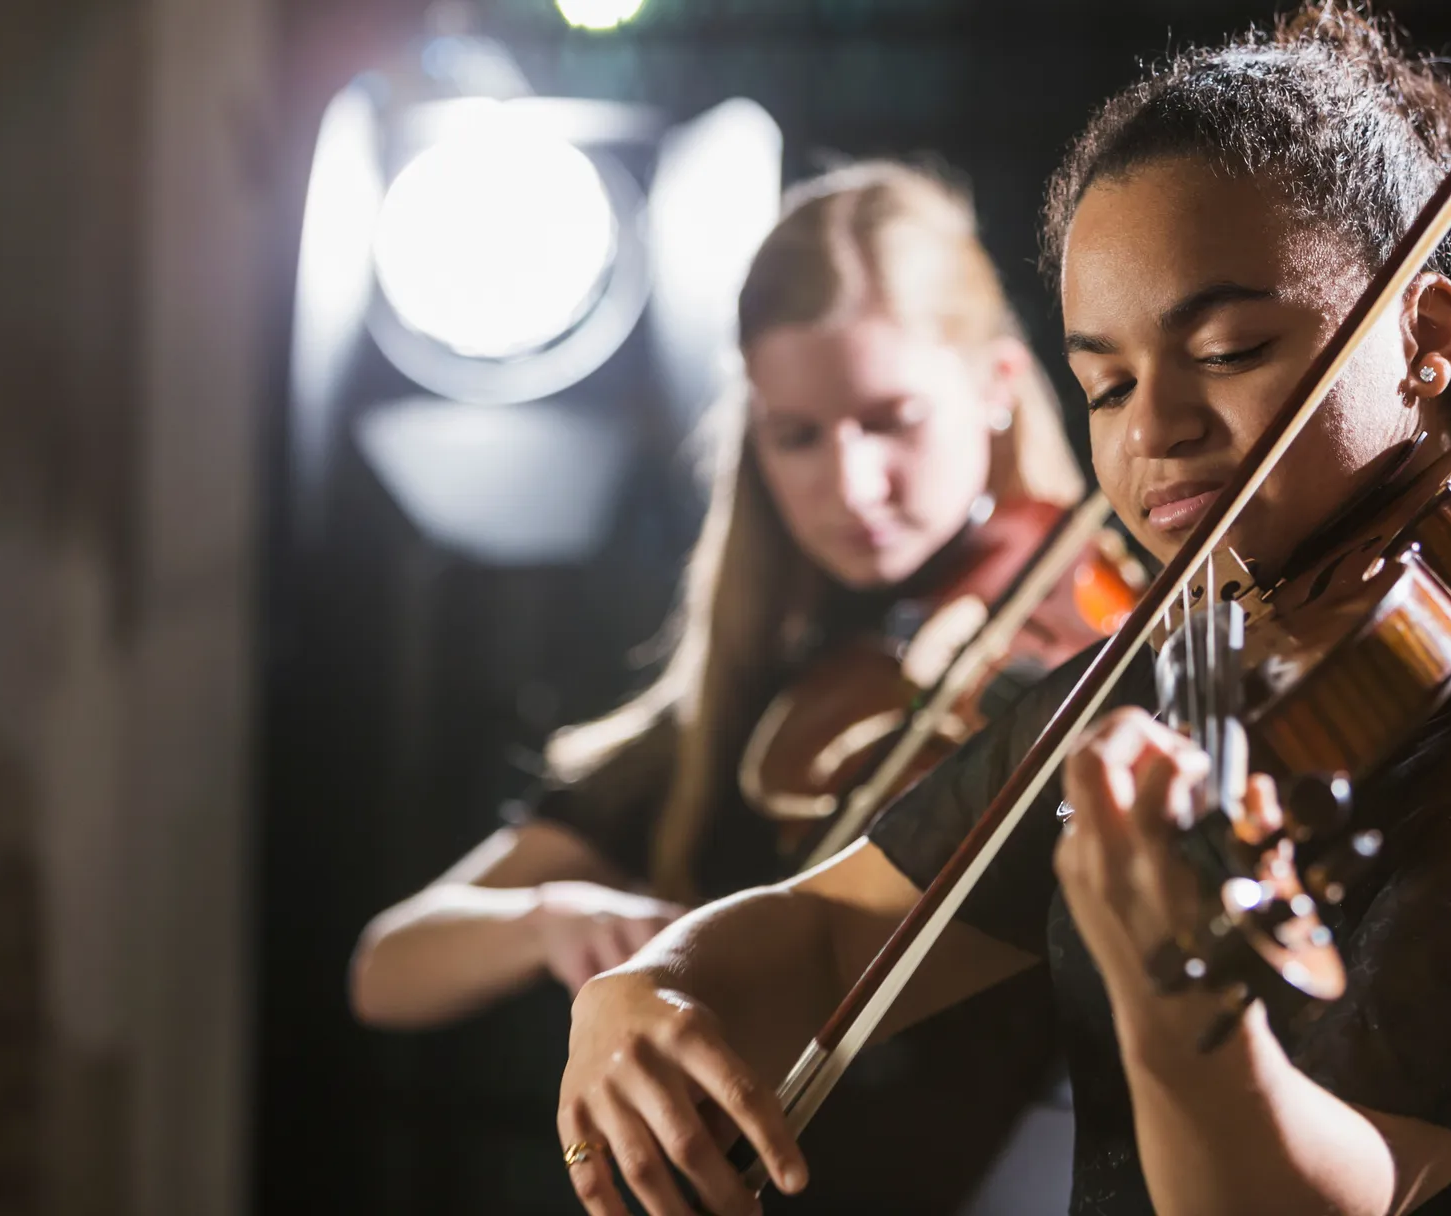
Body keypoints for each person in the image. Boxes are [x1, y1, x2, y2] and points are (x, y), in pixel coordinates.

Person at [554, 8, 1451, 1216]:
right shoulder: (1201, 659)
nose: (1156, 431)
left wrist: (1186, 1013)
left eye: (1226, 353)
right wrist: (657, 981)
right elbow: (838, 922)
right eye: (1105, 385)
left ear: (1426, 335)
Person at [351, 161, 1090, 1213]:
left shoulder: (1092, 639)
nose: (848, 483)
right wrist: (551, 918)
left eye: (891, 418)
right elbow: (389, 966)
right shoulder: (746, 713)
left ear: (997, 390)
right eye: (797, 435)